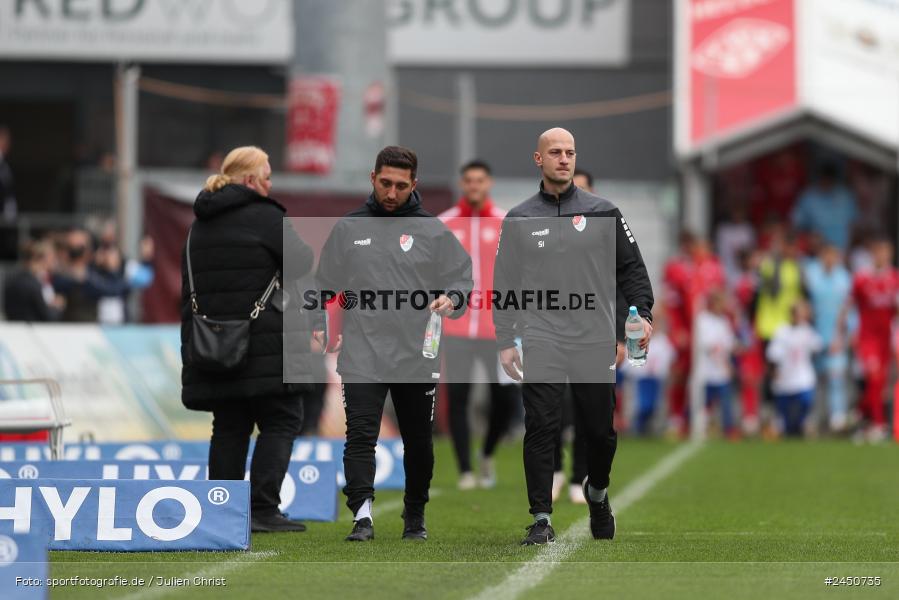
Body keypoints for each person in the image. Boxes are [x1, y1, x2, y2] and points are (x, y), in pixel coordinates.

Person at [494, 128, 653, 545]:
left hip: (593, 338)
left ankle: (597, 495)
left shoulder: (604, 212)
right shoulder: (520, 218)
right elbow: (505, 283)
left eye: (569, 153)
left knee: (599, 432)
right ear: (538, 159)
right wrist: (505, 338)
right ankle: (541, 517)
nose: (564, 159)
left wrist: (640, 319)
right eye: (555, 153)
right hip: (541, 336)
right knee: (541, 426)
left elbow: (632, 271)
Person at [316, 146, 472, 542]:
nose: (391, 193)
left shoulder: (432, 230)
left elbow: (461, 278)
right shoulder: (349, 228)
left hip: (416, 354)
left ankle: (414, 514)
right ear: (372, 178)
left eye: (401, 186)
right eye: (385, 183)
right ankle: (362, 516)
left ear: (413, 185)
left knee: (418, 441)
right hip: (361, 352)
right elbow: (324, 284)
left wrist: (452, 299)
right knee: (361, 435)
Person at [180, 145, 318, 533]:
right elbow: (303, 260)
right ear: (251, 179)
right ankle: (261, 509)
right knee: (281, 419)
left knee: (229, 424)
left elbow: (188, 289)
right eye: (268, 175)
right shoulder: (265, 216)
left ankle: (219, 508)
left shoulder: (197, 225)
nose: (271, 183)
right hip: (266, 344)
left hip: (213, 344)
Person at [438, 159, 518, 490]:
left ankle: (486, 452)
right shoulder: (443, 224)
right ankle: (465, 470)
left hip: (495, 329)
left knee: (507, 400)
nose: (474, 185)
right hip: (455, 329)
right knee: (457, 398)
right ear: (461, 183)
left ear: (489, 183)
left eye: (479, 180)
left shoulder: (505, 222)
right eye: (468, 180)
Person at [835, 236, 899, 442]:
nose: (882, 256)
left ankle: (859, 413)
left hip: (886, 339)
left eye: (886, 253)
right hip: (867, 337)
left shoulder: (895, 279)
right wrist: (839, 336)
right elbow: (847, 307)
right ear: (873, 255)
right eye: (879, 252)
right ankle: (878, 425)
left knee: (880, 384)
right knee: (874, 377)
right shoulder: (862, 279)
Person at [803, 244, 852, 432]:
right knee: (815, 378)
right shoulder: (813, 275)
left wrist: (842, 335)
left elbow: (848, 309)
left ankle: (837, 417)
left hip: (836, 335)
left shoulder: (844, 278)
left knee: (836, 377)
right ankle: (815, 415)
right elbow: (809, 304)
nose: (829, 260)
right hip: (816, 334)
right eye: (826, 256)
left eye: (833, 256)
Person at [766, 299, 823, 437]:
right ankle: (787, 428)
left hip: (802, 375)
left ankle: (802, 424)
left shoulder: (807, 330)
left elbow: (818, 346)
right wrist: (774, 371)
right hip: (785, 376)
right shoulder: (782, 331)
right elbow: (773, 354)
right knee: (783, 410)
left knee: (806, 401)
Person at [695, 290, 737, 437]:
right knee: (701, 402)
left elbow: (728, 344)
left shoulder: (724, 321)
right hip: (706, 371)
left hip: (721, 371)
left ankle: (729, 429)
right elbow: (707, 345)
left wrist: (728, 363)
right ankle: (692, 426)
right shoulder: (702, 320)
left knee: (726, 401)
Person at [791, 162, 858, 251]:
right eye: (824, 180)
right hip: (816, 252)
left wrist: (849, 249)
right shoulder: (809, 196)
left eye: (829, 180)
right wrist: (809, 238)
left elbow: (853, 224)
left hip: (841, 251)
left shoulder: (845, 196)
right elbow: (796, 223)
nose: (826, 184)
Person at [2, 240, 65, 321]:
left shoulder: (13, 280)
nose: (55, 261)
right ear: (43, 259)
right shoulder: (34, 284)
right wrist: (57, 307)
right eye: (52, 257)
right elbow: (46, 316)